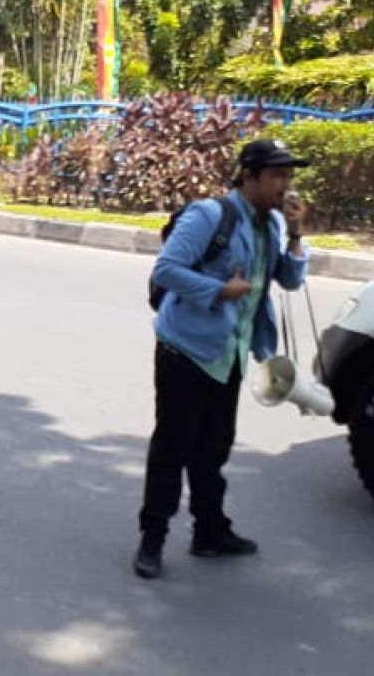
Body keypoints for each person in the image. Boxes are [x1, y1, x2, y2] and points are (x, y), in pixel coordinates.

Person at [134, 138, 312, 580]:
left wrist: (296, 234)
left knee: (213, 448)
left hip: (230, 354)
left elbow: (289, 281)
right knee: (172, 448)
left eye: (288, 176)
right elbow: (166, 270)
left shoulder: (272, 225)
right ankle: (152, 538)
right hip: (186, 350)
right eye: (276, 175)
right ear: (249, 176)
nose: (285, 185)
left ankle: (210, 531)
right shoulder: (209, 216)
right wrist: (218, 290)